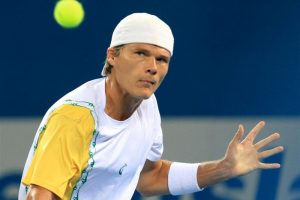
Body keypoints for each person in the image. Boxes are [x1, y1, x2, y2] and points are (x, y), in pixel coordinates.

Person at [18, 12, 284, 200]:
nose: (152, 68)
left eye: (162, 59)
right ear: (112, 56)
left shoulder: (147, 106)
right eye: (141, 53)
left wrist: (224, 169)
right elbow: (39, 196)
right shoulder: (75, 118)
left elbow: (148, 177)